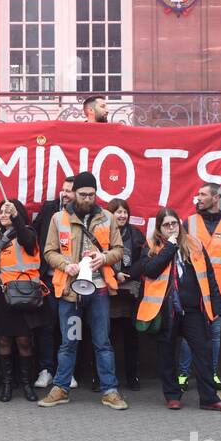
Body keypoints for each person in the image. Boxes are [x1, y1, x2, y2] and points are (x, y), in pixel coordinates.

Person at [37, 172, 129, 410]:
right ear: (73, 194)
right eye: (83, 194)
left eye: (91, 194)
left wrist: (104, 257)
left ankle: (110, 391)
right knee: (70, 341)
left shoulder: (107, 217)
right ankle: (61, 388)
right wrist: (66, 265)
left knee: (102, 342)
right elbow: (48, 251)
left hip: (98, 291)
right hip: (71, 293)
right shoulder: (59, 218)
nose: (87, 199)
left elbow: (119, 249)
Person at [134, 207, 221, 411]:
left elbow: (209, 275)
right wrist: (170, 246)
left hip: (193, 310)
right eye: (166, 225)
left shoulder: (194, 243)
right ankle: (172, 396)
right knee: (166, 354)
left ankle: (209, 398)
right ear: (160, 228)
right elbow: (150, 270)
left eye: (174, 224)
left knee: (203, 351)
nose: (171, 228)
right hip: (166, 311)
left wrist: (216, 305)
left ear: (179, 224)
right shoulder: (151, 245)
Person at [179, 183, 221, 391]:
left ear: (217, 198)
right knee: (189, 334)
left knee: (214, 335)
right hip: (194, 289)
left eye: (203, 194)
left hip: (220, 290)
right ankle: (183, 375)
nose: (198, 198)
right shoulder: (189, 222)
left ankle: (211, 374)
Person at [0, 198, 43, 402]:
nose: (3, 215)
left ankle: (26, 384)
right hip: (2, 297)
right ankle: (7, 385)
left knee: (24, 341)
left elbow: (27, 241)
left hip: (23, 295)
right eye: (1, 212)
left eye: (8, 211)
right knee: (4, 340)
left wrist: (16, 217)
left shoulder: (27, 232)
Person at [32, 179, 75, 388]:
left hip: (72, 281)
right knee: (47, 327)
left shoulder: (83, 215)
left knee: (71, 328)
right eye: (63, 190)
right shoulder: (49, 208)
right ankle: (46, 370)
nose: (65, 194)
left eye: (69, 191)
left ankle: (68, 371)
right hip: (48, 279)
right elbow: (33, 232)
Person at [105, 199, 144, 391]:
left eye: (125, 212)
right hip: (109, 291)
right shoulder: (102, 232)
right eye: (117, 212)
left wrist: (128, 274)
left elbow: (143, 258)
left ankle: (132, 378)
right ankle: (102, 378)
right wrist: (114, 274)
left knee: (131, 339)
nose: (122, 215)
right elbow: (97, 256)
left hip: (130, 293)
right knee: (106, 338)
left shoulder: (136, 234)